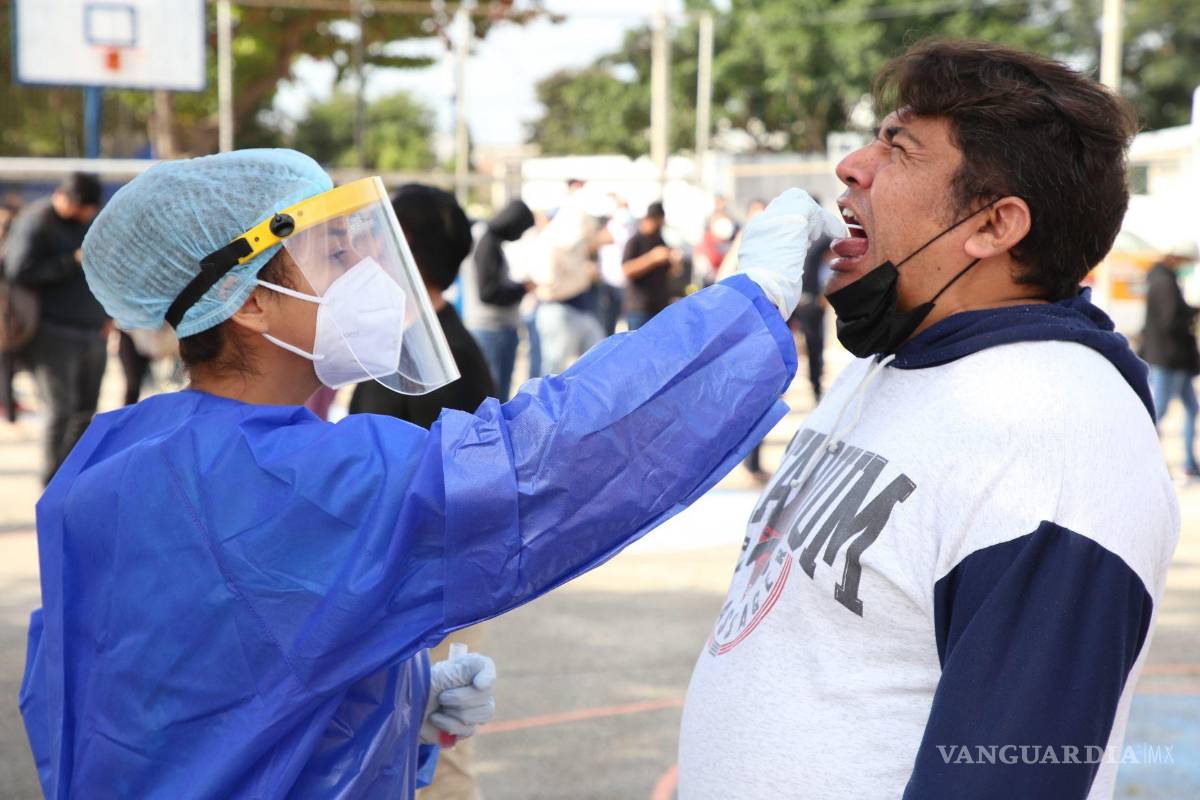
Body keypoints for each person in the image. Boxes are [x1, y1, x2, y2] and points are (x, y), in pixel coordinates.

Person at [19, 148, 839, 799]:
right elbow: (541, 462)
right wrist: (747, 303)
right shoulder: (303, 475)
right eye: (331, 254)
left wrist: (393, 703)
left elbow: (167, 699)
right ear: (249, 302)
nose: (364, 278)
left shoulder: (120, 449)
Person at [678, 40, 1178, 800]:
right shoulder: (900, 362)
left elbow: (1005, 780)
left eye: (899, 149)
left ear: (991, 226)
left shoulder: (1056, 436)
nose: (852, 165)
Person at [3, 173, 106, 482]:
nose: (88, 214)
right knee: (61, 412)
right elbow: (17, 269)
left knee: (86, 414)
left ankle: (72, 477)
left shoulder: (90, 224)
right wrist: (69, 261)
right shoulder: (37, 221)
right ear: (67, 198)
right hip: (52, 332)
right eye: (84, 208)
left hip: (91, 330)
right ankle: (51, 483)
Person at [462, 199, 535, 401]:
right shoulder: (487, 241)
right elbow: (487, 292)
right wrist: (521, 289)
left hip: (491, 328)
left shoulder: (485, 238)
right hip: (491, 329)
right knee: (493, 397)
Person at [1140, 239, 1200, 477]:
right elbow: (1170, 320)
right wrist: (1189, 314)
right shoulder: (1163, 282)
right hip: (1170, 359)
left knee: (1191, 409)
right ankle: (1143, 462)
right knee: (1158, 412)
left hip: (1173, 359)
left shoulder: (1160, 279)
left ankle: (1189, 462)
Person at [622, 201, 680, 330]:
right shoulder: (635, 241)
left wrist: (673, 261)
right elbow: (626, 269)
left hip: (659, 307)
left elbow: (670, 272)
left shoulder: (660, 240)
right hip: (639, 308)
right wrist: (651, 259)